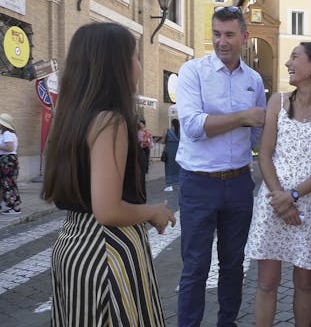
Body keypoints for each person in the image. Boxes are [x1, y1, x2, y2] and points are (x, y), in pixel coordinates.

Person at [41, 22, 176, 326]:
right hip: (108, 250)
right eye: (135, 58)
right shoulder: (109, 121)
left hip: (73, 243)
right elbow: (108, 210)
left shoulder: (71, 117)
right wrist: (153, 211)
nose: (139, 67)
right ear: (115, 65)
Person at [175, 6, 266, 327]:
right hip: (198, 184)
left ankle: (227, 322)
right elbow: (194, 126)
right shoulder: (192, 72)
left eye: (229, 34)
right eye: (216, 34)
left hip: (240, 182)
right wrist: (241, 117)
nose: (221, 41)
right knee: (195, 267)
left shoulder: (254, 81)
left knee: (233, 264)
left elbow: (259, 137)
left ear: (244, 36)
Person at [245, 42, 311, 326]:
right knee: (266, 281)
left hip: (310, 204)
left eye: (294, 58)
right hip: (273, 201)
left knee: (305, 283)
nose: (288, 63)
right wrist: (280, 196)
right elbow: (264, 154)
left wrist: (293, 196)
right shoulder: (277, 101)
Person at [0, 113, 21, 215]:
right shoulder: (5, 133)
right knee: (7, 182)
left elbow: (10, 148)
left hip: (7, 160)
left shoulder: (7, 134)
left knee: (9, 183)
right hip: (7, 160)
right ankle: (11, 205)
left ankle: (14, 207)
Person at [162, 118, 181, 191]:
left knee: (169, 166)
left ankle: (170, 185)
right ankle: (179, 184)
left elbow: (163, 141)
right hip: (178, 150)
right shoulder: (180, 132)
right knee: (178, 167)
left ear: (172, 123)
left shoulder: (167, 130)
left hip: (169, 150)